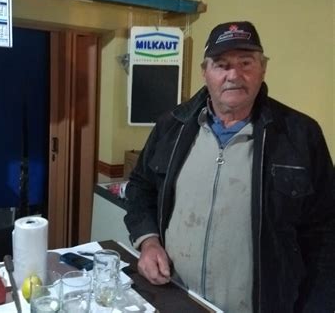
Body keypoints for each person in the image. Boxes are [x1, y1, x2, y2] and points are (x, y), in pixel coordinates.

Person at [124, 21, 335, 312]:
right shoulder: (172, 126)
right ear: (205, 72)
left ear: (263, 68)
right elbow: (140, 187)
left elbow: (325, 234)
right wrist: (148, 242)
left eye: (246, 63)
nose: (234, 75)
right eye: (221, 64)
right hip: (174, 296)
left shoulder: (300, 135)